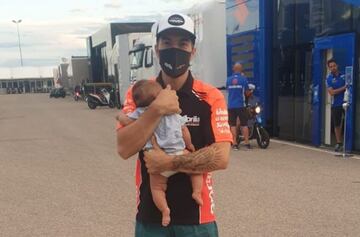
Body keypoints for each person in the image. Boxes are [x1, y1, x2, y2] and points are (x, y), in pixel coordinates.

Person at [116, 13, 232, 237]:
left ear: (193, 51)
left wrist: (168, 162)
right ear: (157, 50)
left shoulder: (210, 96)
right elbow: (124, 148)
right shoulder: (138, 93)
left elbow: (222, 157)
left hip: (198, 220)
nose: (175, 49)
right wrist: (157, 109)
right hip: (151, 218)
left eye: (183, 43)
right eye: (167, 43)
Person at [116, 79, 203, 227]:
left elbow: (128, 122)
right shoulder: (173, 113)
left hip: (157, 161)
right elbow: (184, 130)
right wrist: (189, 144)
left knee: (157, 188)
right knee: (196, 171)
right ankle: (197, 192)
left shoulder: (140, 114)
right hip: (178, 152)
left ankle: (164, 211)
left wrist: (119, 117)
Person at [226, 62, 251, 150]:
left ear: (233, 69)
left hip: (231, 106)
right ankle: (247, 144)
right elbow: (247, 93)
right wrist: (250, 93)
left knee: (232, 125)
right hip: (241, 105)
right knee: (244, 124)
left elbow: (228, 91)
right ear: (241, 70)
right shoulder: (243, 79)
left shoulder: (228, 80)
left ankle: (235, 144)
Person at [326, 59, 347, 152]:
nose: (333, 68)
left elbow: (350, 85)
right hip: (336, 104)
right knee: (337, 124)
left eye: (334, 66)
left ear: (337, 65)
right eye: (330, 67)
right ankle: (339, 143)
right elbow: (331, 92)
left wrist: (341, 89)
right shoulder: (328, 78)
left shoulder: (344, 75)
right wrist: (344, 87)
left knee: (348, 124)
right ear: (329, 68)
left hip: (347, 103)